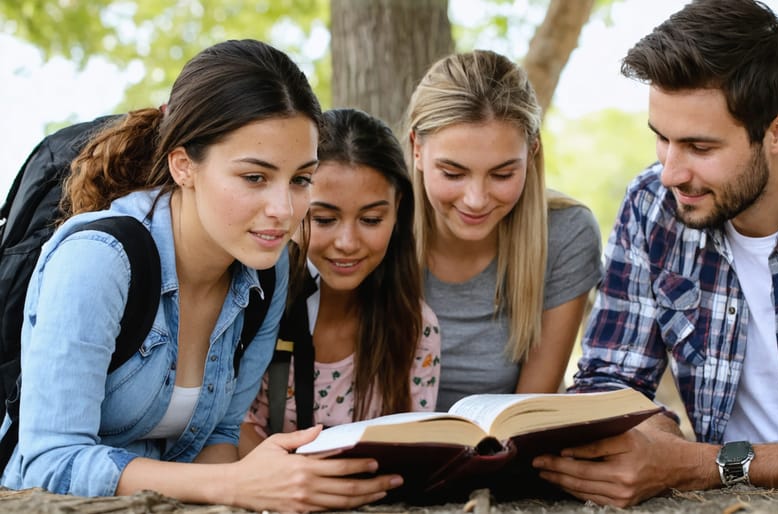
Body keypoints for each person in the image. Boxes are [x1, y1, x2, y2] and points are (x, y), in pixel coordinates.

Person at [0, 40, 402, 512]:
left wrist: (257, 487)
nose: (284, 210)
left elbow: (218, 437)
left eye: (300, 179)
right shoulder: (99, 259)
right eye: (255, 178)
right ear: (184, 165)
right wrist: (234, 485)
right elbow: (50, 460)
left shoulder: (267, 269)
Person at [532, 0, 778, 507]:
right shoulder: (651, 206)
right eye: (661, 139)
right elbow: (610, 379)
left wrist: (706, 464)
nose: (670, 172)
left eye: (700, 148)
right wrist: (653, 433)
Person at [406, 49, 603, 411]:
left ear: (531, 153)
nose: (476, 199)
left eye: (502, 174)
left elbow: (527, 411)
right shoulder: (375, 225)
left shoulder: (565, 234)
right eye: (453, 173)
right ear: (417, 149)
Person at [239, 108, 441, 453]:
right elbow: (227, 428)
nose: (347, 242)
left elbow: (414, 447)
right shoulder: (251, 301)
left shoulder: (415, 329)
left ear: (398, 210)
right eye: (325, 218)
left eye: (372, 219)